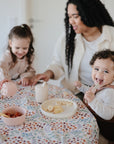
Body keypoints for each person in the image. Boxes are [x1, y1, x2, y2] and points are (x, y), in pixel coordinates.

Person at [30, 0, 114, 98]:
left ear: (89, 14)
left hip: (105, 97)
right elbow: (58, 64)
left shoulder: (111, 35)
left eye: (75, 16)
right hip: (73, 93)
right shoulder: (67, 38)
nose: (71, 21)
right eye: (69, 17)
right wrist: (48, 74)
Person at [75, 49, 114, 142]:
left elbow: (109, 115)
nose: (99, 74)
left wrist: (92, 101)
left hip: (104, 130)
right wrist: (81, 87)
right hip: (93, 121)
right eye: (96, 69)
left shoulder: (110, 92)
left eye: (106, 71)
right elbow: (92, 91)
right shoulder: (100, 84)